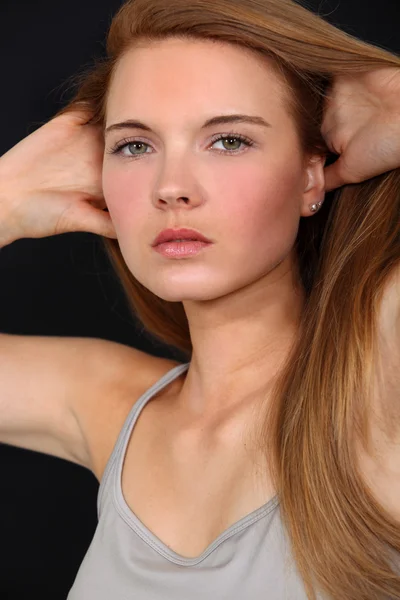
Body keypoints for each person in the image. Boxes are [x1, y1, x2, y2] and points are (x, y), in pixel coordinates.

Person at [0, 0, 400, 597]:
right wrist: (5, 195)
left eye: (229, 140)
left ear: (310, 177)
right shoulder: (109, 404)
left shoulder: (380, 379)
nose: (171, 188)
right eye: (135, 147)